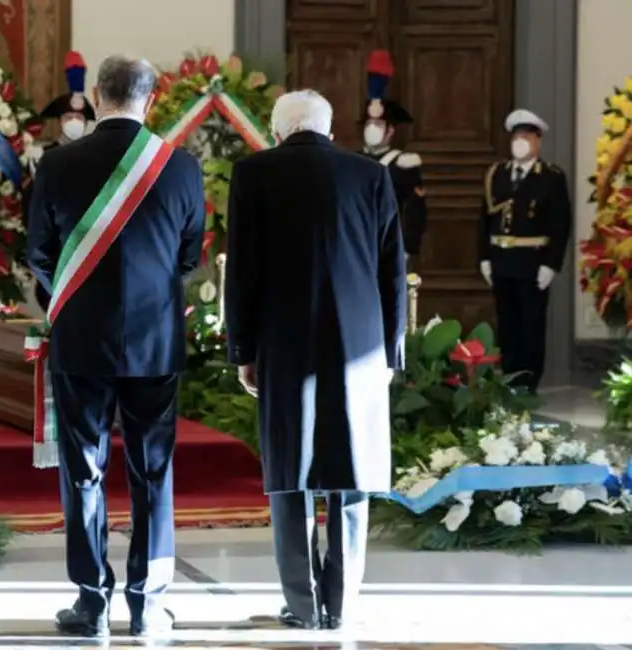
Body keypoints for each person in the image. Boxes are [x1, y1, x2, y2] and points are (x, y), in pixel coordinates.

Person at [26, 55, 205, 638]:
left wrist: (74, 299)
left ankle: (91, 600)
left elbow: (39, 255)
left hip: (80, 339)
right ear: (151, 101)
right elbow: (188, 256)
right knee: (152, 470)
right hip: (154, 340)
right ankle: (148, 602)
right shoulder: (180, 167)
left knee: (83, 469)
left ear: (98, 97)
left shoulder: (57, 165)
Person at [224, 90, 406, 631]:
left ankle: (302, 605)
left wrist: (244, 350)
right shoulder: (369, 175)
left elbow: (243, 273)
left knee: (291, 471)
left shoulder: (254, 173)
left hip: (284, 343)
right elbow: (392, 270)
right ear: (330, 130)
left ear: (277, 132)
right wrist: (391, 350)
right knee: (350, 471)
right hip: (360, 346)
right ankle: (343, 600)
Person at [477, 109, 571, 394]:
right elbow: (484, 219)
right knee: (507, 323)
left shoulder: (551, 177)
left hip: (533, 263)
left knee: (531, 323)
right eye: (517, 136)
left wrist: (551, 264)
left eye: (526, 136)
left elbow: (560, 224)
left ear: (537, 141)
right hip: (502, 261)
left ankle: (529, 381)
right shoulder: (498, 174)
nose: (520, 141)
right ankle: (510, 377)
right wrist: (484, 257)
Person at [359, 50, 427, 262]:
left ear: (390, 130)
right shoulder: (353, 160)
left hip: (390, 244)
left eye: (378, 124)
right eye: (369, 123)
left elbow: (415, 209)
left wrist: (408, 246)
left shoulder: (404, 164)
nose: (372, 128)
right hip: (358, 244)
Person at [40, 50, 97, 151]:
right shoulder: (47, 153)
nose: (74, 121)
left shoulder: (93, 153)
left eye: (79, 117)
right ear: (60, 122)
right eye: (68, 118)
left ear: (86, 122)